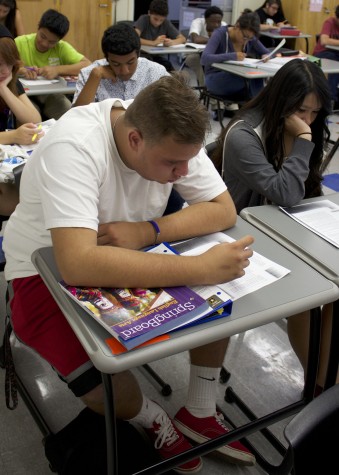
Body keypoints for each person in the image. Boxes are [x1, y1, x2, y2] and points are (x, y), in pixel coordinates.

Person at [3, 74, 256, 473]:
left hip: (127, 248)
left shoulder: (170, 130)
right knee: (112, 388)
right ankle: (151, 417)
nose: (182, 173)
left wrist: (148, 230)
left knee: (220, 286)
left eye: (186, 162)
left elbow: (223, 209)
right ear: (135, 139)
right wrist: (196, 267)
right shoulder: (75, 144)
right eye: (173, 164)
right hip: (41, 270)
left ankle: (199, 409)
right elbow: (76, 264)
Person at [211, 58, 336, 392]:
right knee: (311, 298)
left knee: (333, 295)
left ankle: (324, 384)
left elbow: (307, 191)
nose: (307, 119)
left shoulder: (300, 126)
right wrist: (305, 140)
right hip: (243, 236)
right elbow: (286, 193)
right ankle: (320, 386)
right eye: (301, 110)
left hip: (280, 227)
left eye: (314, 112)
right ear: (281, 100)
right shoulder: (245, 134)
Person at [15, 9, 91, 119]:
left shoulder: (62, 47)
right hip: (24, 95)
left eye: (52, 42)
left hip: (51, 95)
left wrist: (57, 70)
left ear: (59, 40)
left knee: (68, 112)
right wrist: (20, 70)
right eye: (42, 36)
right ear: (38, 27)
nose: (45, 44)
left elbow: (88, 65)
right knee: (30, 118)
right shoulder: (20, 43)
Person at [72, 23, 169, 107]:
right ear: (107, 59)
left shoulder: (156, 73)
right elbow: (77, 117)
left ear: (138, 54)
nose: (125, 71)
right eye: (116, 64)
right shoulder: (90, 73)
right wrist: (95, 76)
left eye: (130, 62)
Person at [200, 11, 269, 104]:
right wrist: (232, 55)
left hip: (239, 78)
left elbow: (266, 52)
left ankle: (257, 107)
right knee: (249, 78)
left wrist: (265, 55)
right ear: (237, 26)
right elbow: (205, 58)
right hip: (215, 79)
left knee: (257, 76)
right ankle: (258, 107)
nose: (246, 42)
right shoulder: (219, 34)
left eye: (249, 39)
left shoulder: (249, 37)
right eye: (244, 37)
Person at [134, 0, 186, 72]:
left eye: (161, 20)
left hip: (157, 56)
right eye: (155, 19)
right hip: (142, 56)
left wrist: (171, 42)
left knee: (170, 69)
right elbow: (134, 38)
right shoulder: (143, 19)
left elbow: (182, 39)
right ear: (149, 13)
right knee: (150, 68)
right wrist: (153, 43)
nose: (157, 23)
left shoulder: (166, 23)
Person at [185, 5, 225, 87]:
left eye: (219, 22)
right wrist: (214, 40)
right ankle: (206, 87)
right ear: (206, 20)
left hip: (213, 55)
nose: (217, 25)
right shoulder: (197, 22)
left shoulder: (223, 25)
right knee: (195, 60)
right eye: (213, 22)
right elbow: (195, 39)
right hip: (193, 55)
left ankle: (217, 87)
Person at [313, 5, 339, 108]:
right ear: (337, 17)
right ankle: (330, 98)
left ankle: (333, 97)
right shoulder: (329, 22)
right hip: (321, 54)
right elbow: (324, 40)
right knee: (336, 64)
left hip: (336, 53)